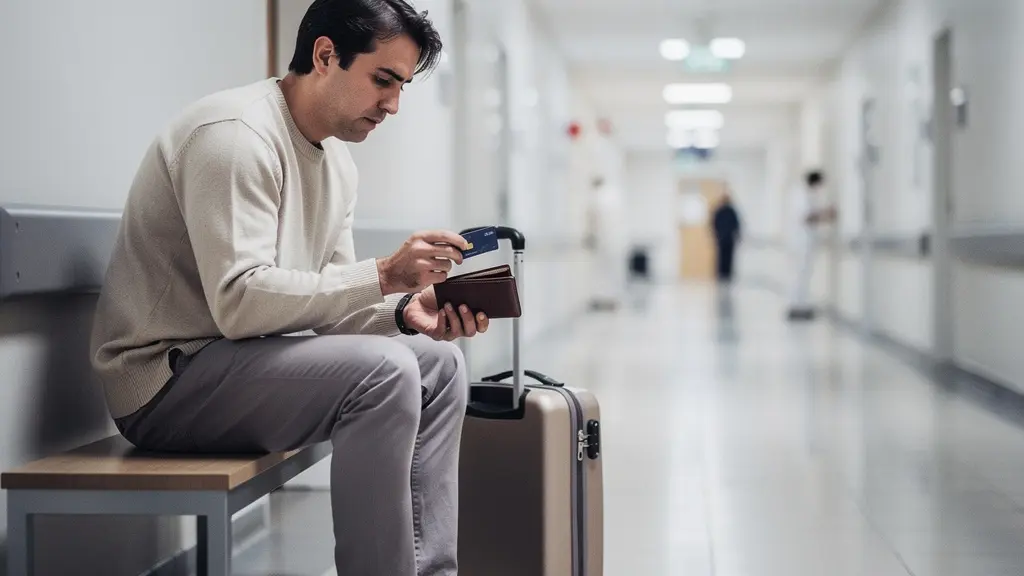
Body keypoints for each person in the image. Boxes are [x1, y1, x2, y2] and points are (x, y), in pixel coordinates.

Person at [90, 2, 483, 574]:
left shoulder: (337, 165)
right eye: (383, 80)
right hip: (164, 380)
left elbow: (334, 312)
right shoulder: (235, 137)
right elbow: (240, 303)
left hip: (238, 362)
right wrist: (382, 274)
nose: (393, 106)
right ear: (325, 55)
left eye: (401, 88)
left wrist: (403, 312)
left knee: (438, 364)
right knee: (387, 373)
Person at [787, 170, 836, 320]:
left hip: (804, 242)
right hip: (802, 242)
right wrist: (826, 215)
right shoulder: (801, 194)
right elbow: (807, 217)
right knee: (800, 275)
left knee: (803, 275)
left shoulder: (804, 194)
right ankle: (797, 307)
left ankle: (800, 306)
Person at [711, 192, 742, 283]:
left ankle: (727, 276)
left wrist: (737, 235)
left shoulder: (731, 212)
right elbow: (714, 224)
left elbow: (736, 225)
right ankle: (721, 275)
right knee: (721, 258)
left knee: (729, 258)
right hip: (722, 238)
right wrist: (716, 234)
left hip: (729, 239)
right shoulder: (719, 211)